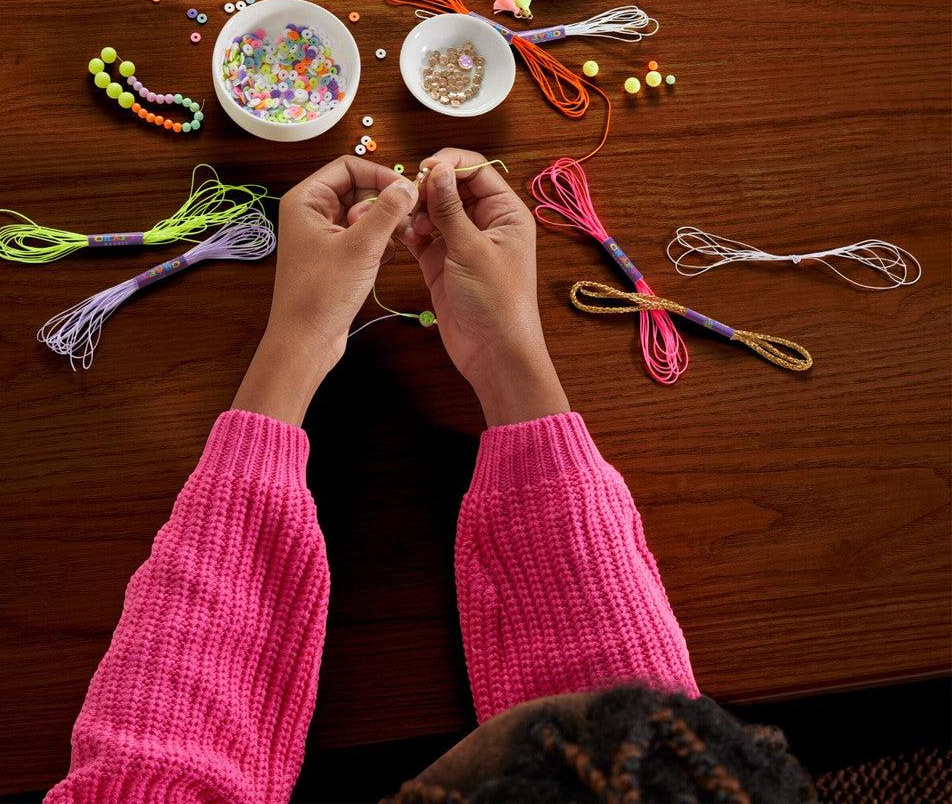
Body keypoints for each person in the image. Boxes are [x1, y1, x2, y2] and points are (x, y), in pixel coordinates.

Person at [43, 149, 813, 803]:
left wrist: (295, 347)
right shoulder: (660, 760)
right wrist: (509, 361)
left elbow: (162, 759)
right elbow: (619, 698)